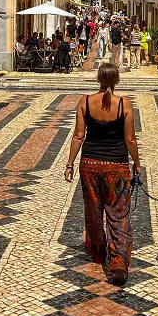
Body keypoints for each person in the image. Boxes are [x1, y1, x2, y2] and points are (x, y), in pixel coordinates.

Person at [64, 63, 141, 285]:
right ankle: (118, 261)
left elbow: (79, 136)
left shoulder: (85, 101)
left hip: (89, 164)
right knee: (119, 213)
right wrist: (136, 163)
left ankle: (98, 250)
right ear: (116, 81)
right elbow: (130, 140)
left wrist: (70, 164)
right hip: (117, 167)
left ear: (98, 78)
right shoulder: (124, 104)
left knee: (93, 209)